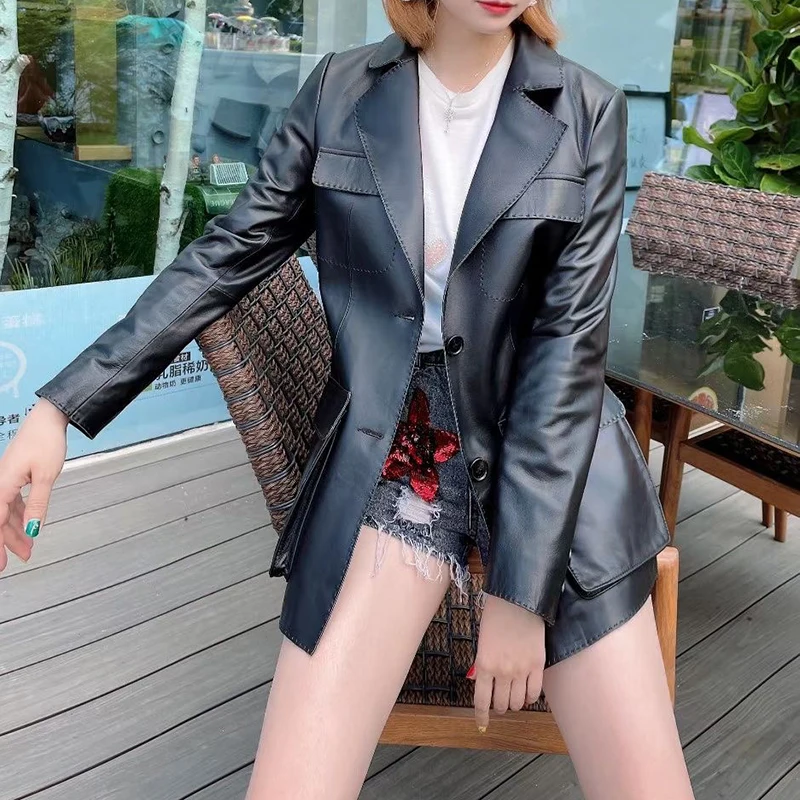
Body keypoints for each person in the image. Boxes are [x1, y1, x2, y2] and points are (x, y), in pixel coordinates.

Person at [0, 1, 696, 798]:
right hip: (398, 441)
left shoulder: (587, 109)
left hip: (554, 458)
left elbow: (567, 351)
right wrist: (61, 405)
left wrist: (520, 590)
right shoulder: (340, 91)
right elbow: (230, 251)